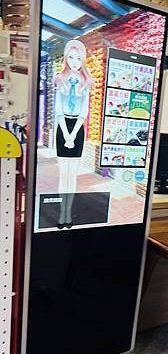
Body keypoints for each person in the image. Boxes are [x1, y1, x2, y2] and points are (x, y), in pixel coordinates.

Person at [54, 39, 93, 229]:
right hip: (62, 127)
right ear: (66, 58)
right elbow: (58, 109)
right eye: (71, 57)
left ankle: (69, 213)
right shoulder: (59, 79)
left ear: (83, 59)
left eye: (78, 58)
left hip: (77, 128)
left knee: (73, 175)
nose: (75, 61)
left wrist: (73, 133)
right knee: (63, 174)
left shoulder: (86, 82)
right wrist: (66, 134)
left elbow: (84, 111)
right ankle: (62, 214)